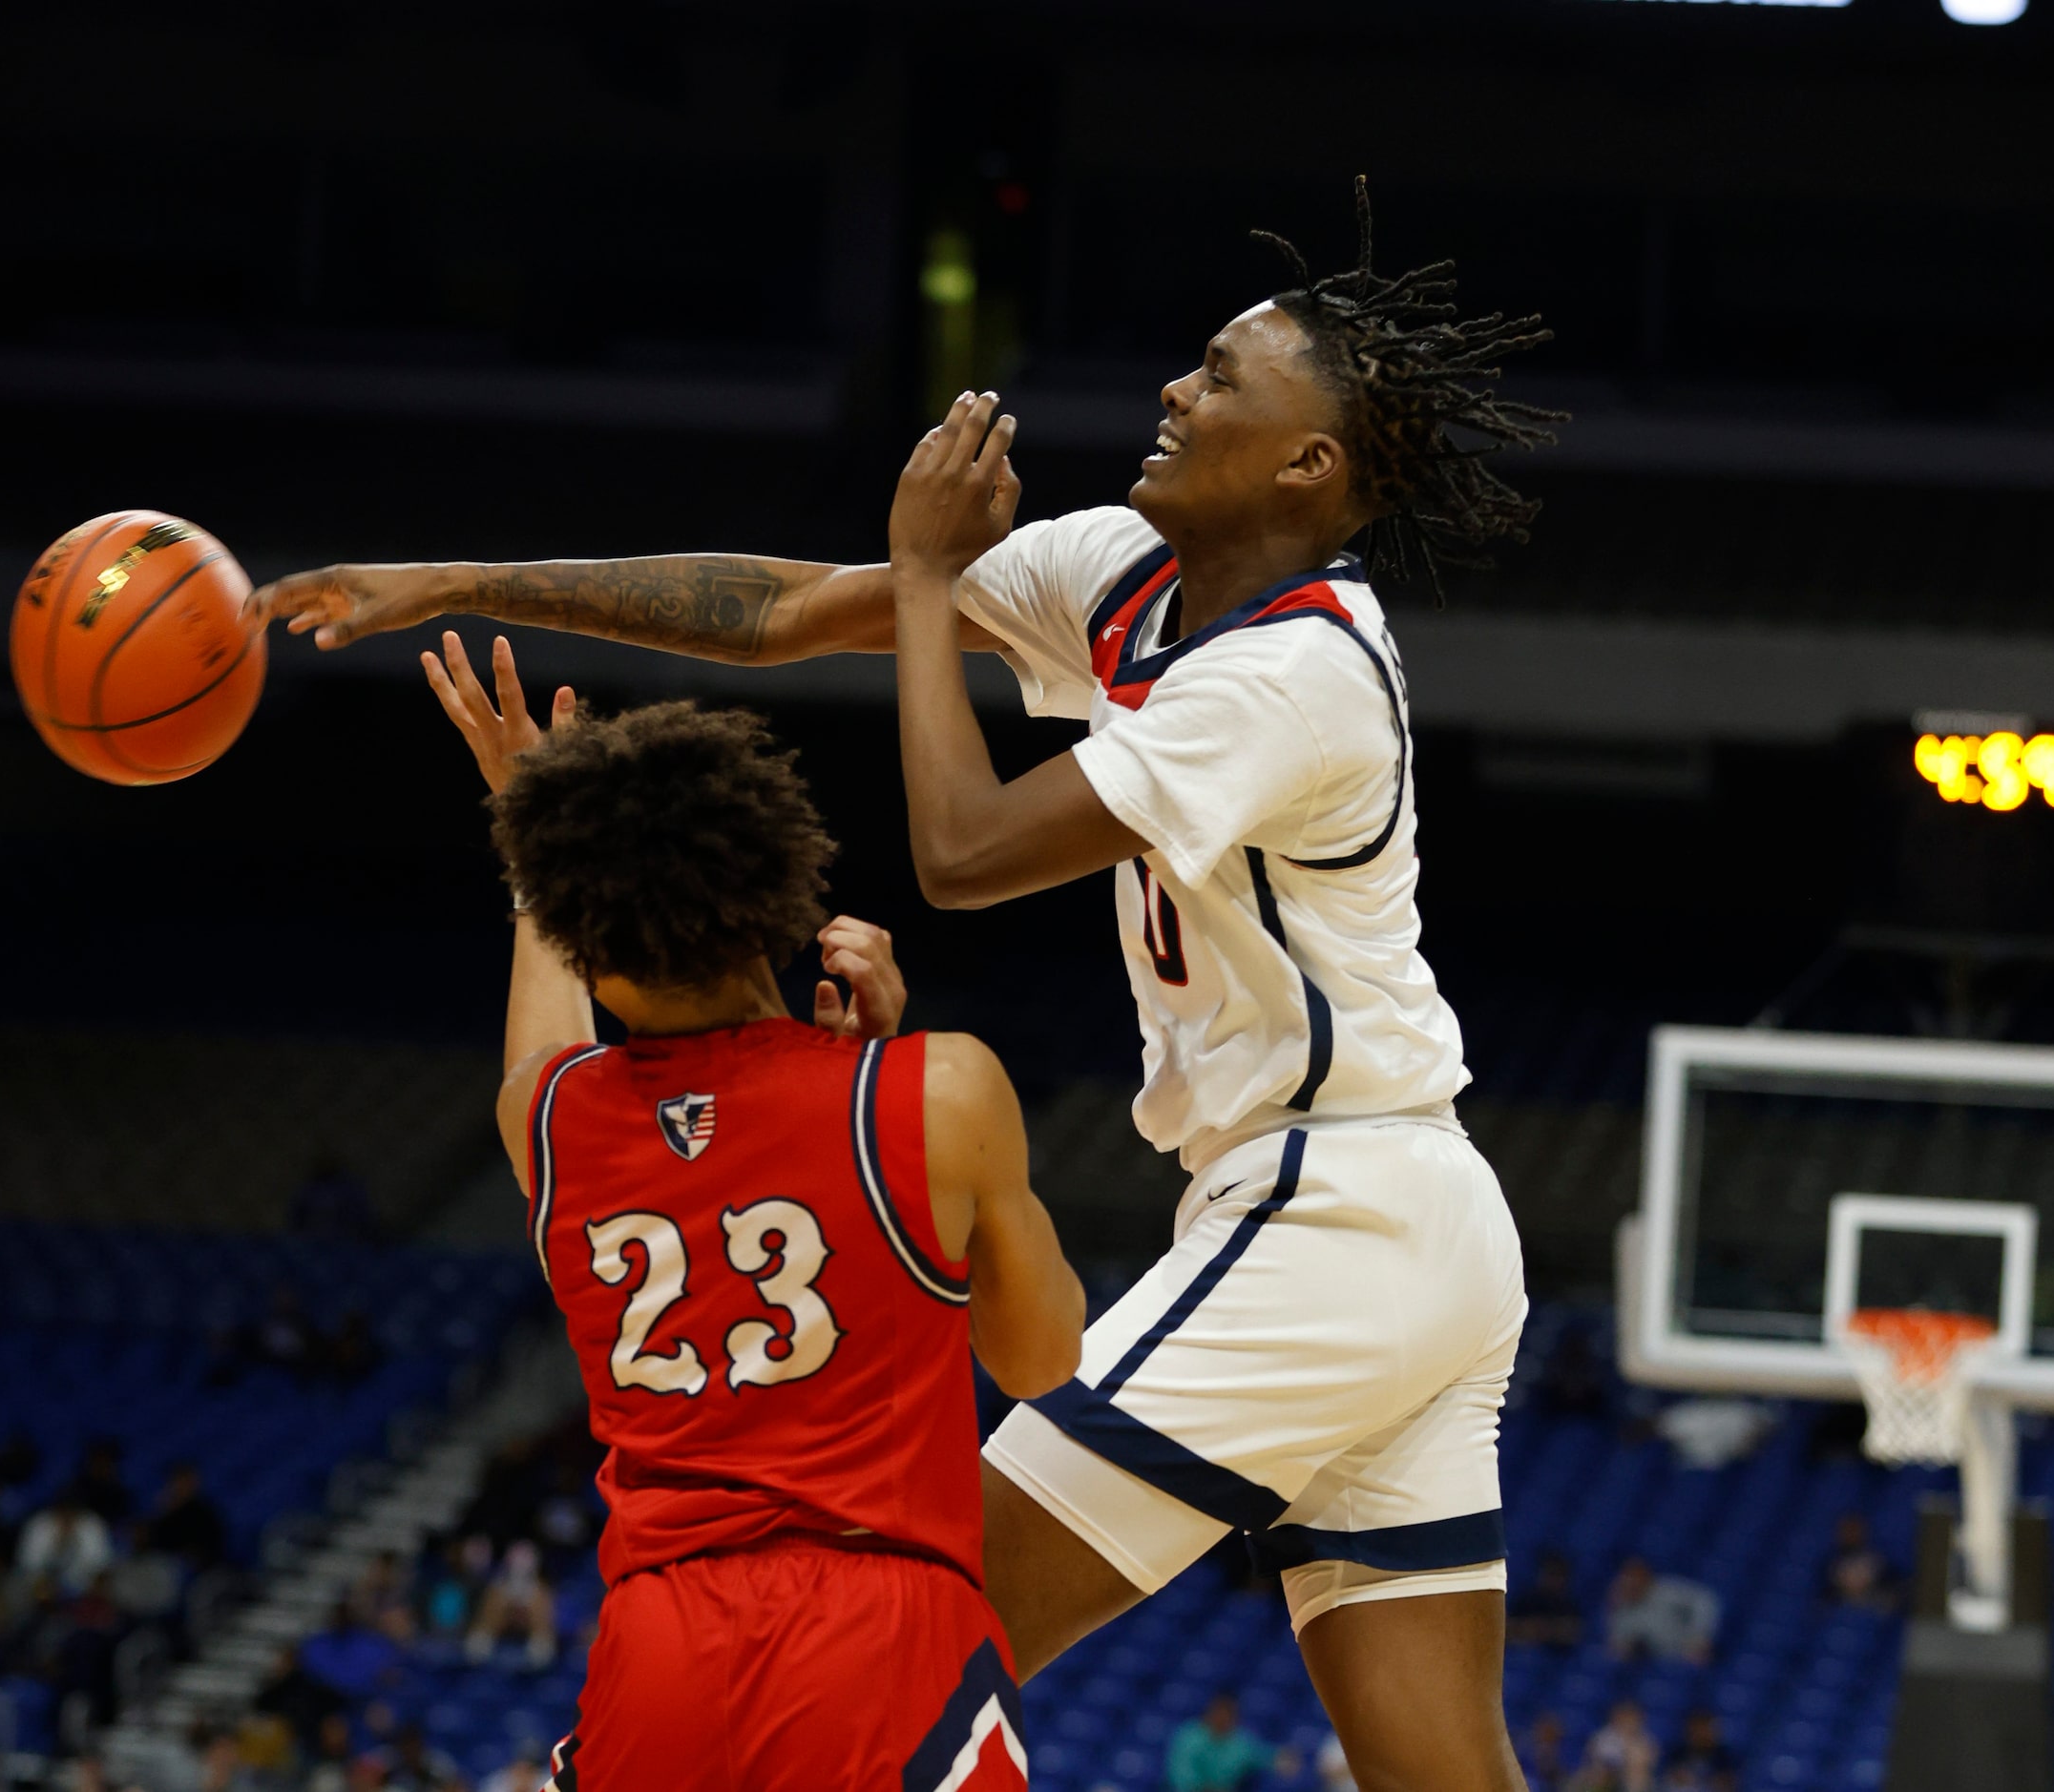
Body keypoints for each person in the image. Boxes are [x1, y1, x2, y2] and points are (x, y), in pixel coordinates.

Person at [256, 177, 1557, 1789]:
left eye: (1220, 375)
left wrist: (936, 575)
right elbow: (786, 612)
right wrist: (461, 579)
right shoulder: (1121, 573)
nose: (1172, 387)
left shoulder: (1301, 670)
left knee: (906, 1622)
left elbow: (960, 850)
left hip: (1331, 1206)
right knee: (1444, 1772)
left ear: (1310, 462)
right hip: (1391, 1217)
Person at [410, 638, 1085, 1788]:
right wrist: (880, 1087)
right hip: (878, 1636)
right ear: (775, 894)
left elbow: (550, 1026)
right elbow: (1039, 1359)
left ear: (580, 936)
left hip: (662, 1648)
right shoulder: (933, 1091)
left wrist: (531, 828)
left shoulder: (550, 1120)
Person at [1604, 1558, 1718, 1664]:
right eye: (1627, 1580)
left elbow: (1705, 1601)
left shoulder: (1667, 1590)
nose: (1631, 1583)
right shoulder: (1624, 1606)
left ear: (1646, 1578)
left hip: (1689, 1650)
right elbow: (1620, 1644)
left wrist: (1700, 1635)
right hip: (1657, 1659)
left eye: (1635, 1579)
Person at [1165, 1692, 1275, 1792]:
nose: (1223, 1718)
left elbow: (1262, 1755)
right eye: (1219, 1713)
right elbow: (1181, 1774)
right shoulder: (1189, 1736)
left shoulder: (1240, 1741)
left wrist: (1279, 1759)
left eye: (1229, 1714)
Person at [15, 1489, 114, 1599]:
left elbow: (101, 1563)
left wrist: (95, 1589)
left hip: (83, 1583)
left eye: (72, 1512)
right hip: (43, 1582)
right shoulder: (39, 1525)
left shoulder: (92, 1525)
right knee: (21, 1588)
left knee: (108, 1587)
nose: (68, 1516)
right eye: (64, 1511)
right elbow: (28, 1563)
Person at [139, 1462, 227, 1573]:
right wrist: (163, 1512)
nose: (181, 1485)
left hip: (193, 1568)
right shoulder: (165, 1509)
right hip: (161, 1561)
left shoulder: (205, 1512)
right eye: (177, 1480)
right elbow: (152, 1539)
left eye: (186, 1481)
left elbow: (211, 1546)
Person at [1505, 1552, 1584, 1650]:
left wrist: (1546, 1630)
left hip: (1559, 1657)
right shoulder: (1527, 1601)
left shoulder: (1568, 1604)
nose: (1554, 1580)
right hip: (1525, 1655)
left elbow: (1576, 1632)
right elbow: (1508, 1628)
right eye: (1551, 1574)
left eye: (1558, 1575)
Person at [1574, 1702, 1656, 1792]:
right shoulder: (1604, 1737)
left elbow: (1647, 1761)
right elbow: (1599, 1760)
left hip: (1628, 1777)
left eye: (1633, 1719)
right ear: (1618, 1719)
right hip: (1606, 1774)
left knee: (1638, 1777)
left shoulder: (1644, 1737)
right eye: (1627, 1719)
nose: (1630, 1723)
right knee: (1598, 1775)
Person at [1823, 1512, 1897, 1612]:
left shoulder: (1876, 1559)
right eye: (1847, 1530)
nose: (1850, 1535)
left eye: (1854, 1530)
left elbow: (1890, 1590)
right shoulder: (1830, 1562)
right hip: (1842, 1609)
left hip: (1872, 1609)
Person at [1659, 1710, 1734, 1792]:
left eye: (1704, 1729)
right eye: (1697, 1730)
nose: (1701, 1734)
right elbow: (1669, 1777)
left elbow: (1727, 1782)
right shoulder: (1678, 1753)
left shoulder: (1723, 1755)